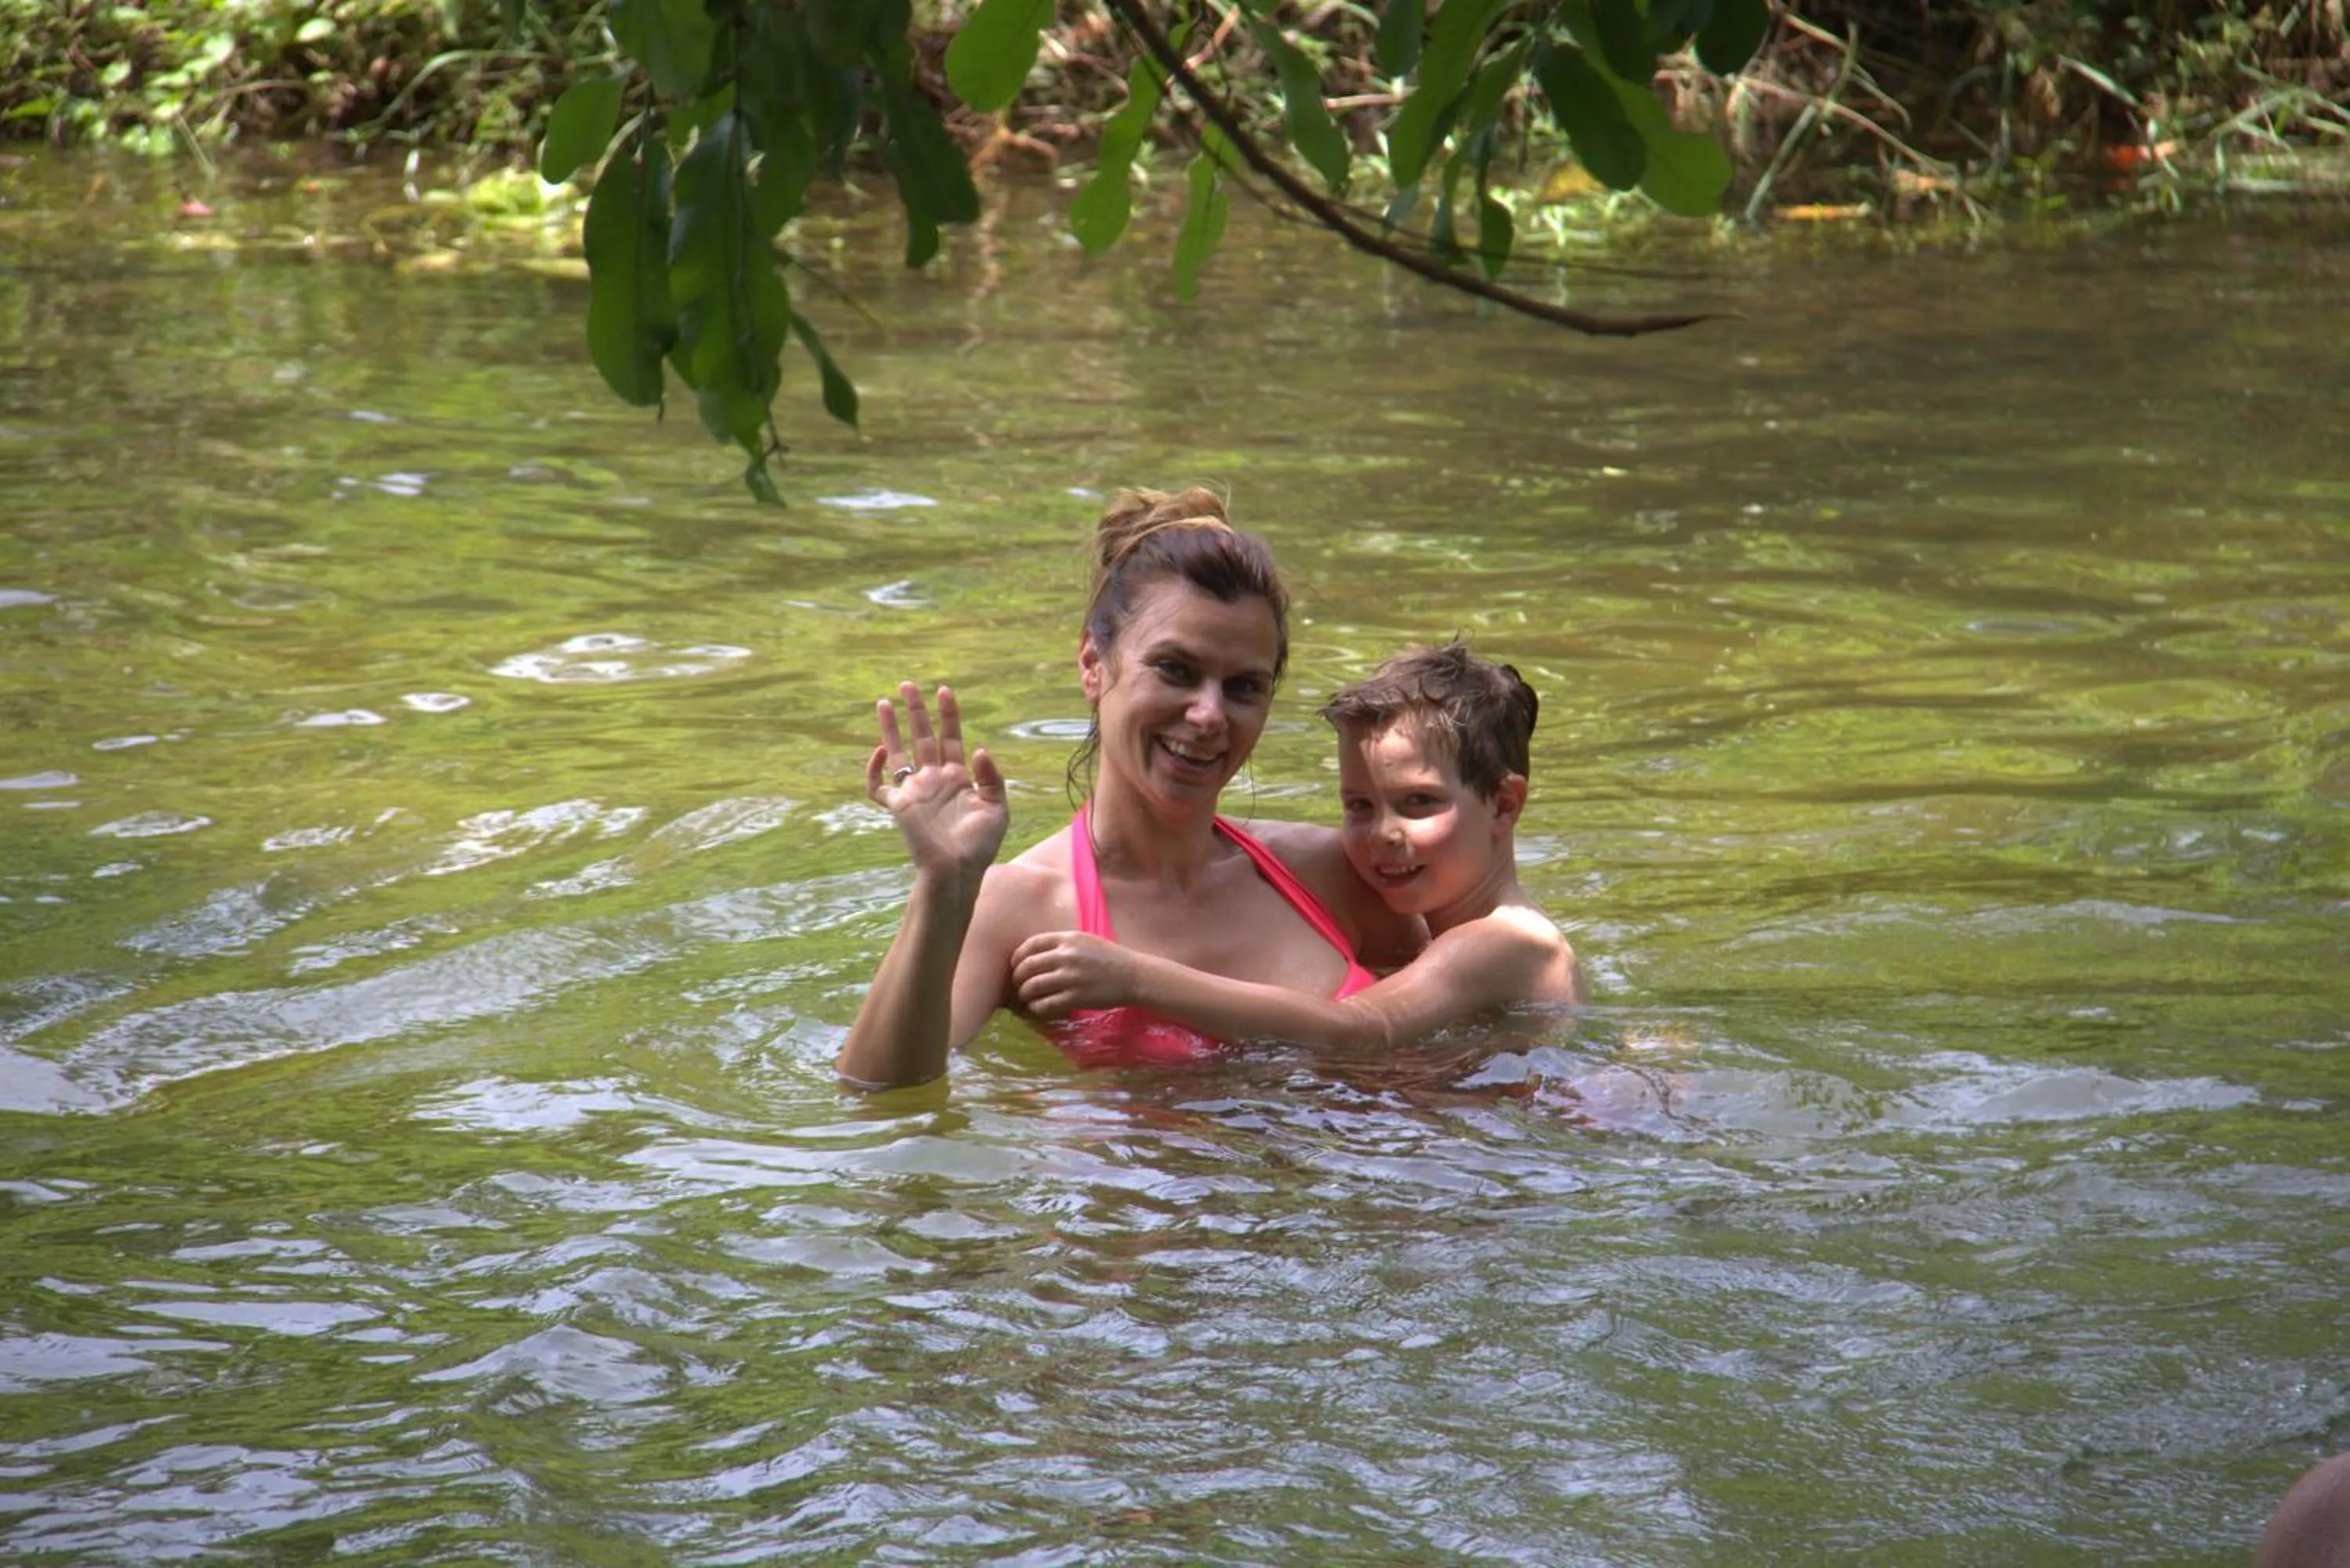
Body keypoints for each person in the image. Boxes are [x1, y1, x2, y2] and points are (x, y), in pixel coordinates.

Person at [835, 487, 1419, 1089]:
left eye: (1244, 687)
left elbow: (1481, 1014)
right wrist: (944, 884)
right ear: (1094, 664)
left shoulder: (1330, 874)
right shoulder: (1018, 909)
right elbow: (880, 1097)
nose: (1209, 715)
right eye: (1175, 670)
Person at [1009, 641, 1578, 1052]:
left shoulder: (1502, 941)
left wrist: (1136, 979)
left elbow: (1362, 1029)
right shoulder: (1446, 934)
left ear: (1504, 805)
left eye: (1419, 802)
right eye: (1359, 806)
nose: (1383, 832)